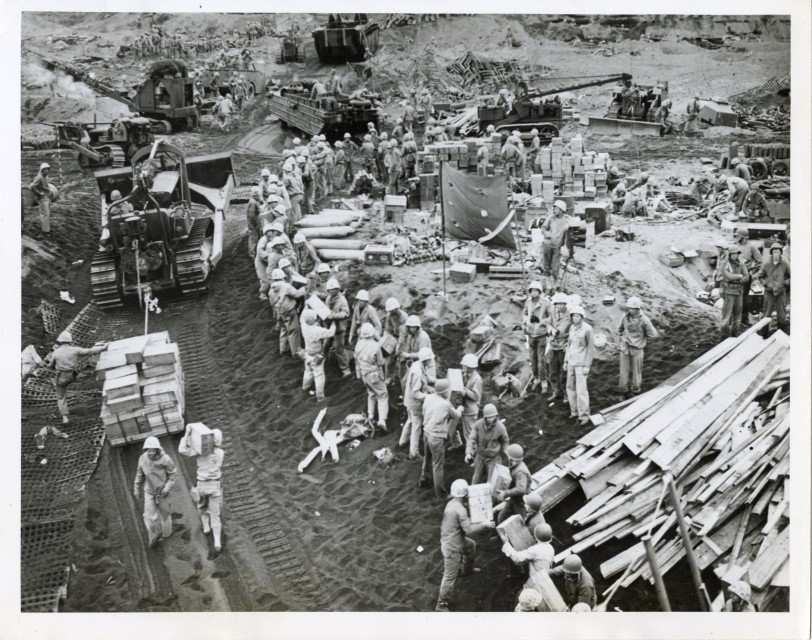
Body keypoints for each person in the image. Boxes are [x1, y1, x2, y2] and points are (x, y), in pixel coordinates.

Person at [435, 479, 496, 612]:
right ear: (465, 494)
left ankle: (466, 570)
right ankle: (441, 605)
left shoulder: (452, 503)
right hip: (452, 546)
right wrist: (484, 524)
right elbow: (468, 530)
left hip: (453, 538)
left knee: (470, 546)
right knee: (449, 577)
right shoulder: (461, 510)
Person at [178, 424, 225, 553]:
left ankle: (206, 526)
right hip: (215, 486)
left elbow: (182, 450)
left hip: (202, 485)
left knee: (201, 506)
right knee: (215, 515)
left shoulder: (201, 452)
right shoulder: (221, 453)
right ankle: (217, 541)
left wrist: (187, 434)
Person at [48, 331, 107, 425]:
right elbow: (90, 351)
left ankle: (65, 418)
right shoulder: (75, 350)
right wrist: (103, 348)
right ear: (70, 340)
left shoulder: (55, 352)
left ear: (60, 341)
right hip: (73, 375)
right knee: (86, 366)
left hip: (61, 377)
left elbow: (50, 366)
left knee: (61, 396)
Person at [419, 379, 462, 498]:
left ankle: (423, 479)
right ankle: (441, 493)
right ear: (444, 392)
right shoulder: (445, 404)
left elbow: (423, 412)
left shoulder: (428, 398)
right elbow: (456, 416)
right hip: (436, 437)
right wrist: (460, 408)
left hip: (426, 432)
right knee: (437, 464)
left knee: (427, 457)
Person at [133, 436, 177, 548]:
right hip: (149, 492)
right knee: (149, 516)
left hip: (163, 492)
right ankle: (154, 536)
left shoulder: (165, 459)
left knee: (165, 515)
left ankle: (167, 534)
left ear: (157, 449)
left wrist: (167, 487)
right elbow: (139, 474)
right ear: (146, 449)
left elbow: (172, 475)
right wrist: (136, 488)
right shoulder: (143, 458)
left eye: (153, 450)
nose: (151, 453)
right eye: (149, 450)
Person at [617, 296, 659, 397]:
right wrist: (623, 339)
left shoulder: (644, 320)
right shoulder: (624, 317)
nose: (630, 310)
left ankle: (636, 391)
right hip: (625, 348)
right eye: (629, 308)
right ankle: (623, 391)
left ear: (637, 309)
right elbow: (619, 329)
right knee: (623, 372)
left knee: (636, 373)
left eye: (632, 308)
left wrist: (642, 341)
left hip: (637, 350)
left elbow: (653, 335)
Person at [400, 347, 435, 459]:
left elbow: (425, 377)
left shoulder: (417, 364)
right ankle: (413, 453)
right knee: (416, 427)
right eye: (430, 359)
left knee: (410, 420)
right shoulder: (418, 373)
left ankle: (402, 442)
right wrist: (429, 396)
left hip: (409, 402)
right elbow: (415, 393)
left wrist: (435, 381)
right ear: (426, 360)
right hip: (415, 403)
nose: (431, 361)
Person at [354, 322, 389, 432]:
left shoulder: (358, 344)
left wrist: (358, 374)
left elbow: (356, 360)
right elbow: (380, 362)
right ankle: (382, 420)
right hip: (374, 375)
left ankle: (370, 416)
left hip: (364, 374)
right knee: (382, 395)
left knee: (371, 394)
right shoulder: (376, 345)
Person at [565, 305, 595, 426]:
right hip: (571, 362)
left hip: (581, 363)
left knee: (581, 390)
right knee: (570, 387)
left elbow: (591, 348)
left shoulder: (588, 329)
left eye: (577, 316)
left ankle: (584, 415)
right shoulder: (571, 328)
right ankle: (574, 411)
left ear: (582, 317)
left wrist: (587, 365)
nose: (575, 318)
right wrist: (566, 361)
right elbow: (569, 345)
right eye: (573, 316)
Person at [465, 403, 509, 484]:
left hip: (493, 458)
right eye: (489, 417)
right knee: (475, 480)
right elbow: (471, 438)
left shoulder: (501, 427)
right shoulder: (478, 425)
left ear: (496, 416)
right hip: (480, 457)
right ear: (485, 417)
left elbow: (505, 441)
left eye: (493, 416)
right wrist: (469, 452)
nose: (491, 419)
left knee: (492, 482)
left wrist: (506, 451)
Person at [300, 309, 336, 402]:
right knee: (319, 376)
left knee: (308, 372)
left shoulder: (303, 325)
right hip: (316, 356)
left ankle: (305, 387)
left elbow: (302, 317)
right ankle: (320, 397)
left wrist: (306, 305)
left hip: (307, 354)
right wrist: (333, 323)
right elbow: (331, 333)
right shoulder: (316, 330)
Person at [523, 280, 552, 392]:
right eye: (532, 290)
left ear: (540, 291)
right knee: (532, 359)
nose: (534, 292)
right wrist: (527, 320)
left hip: (541, 335)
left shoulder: (546, 303)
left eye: (536, 290)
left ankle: (544, 381)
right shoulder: (528, 302)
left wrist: (541, 321)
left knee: (541, 360)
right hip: (531, 334)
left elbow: (551, 317)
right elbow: (524, 313)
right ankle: (536, 378)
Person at [449, 353, 482, 449]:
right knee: (453, 427)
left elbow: (476, 396)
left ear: (469, 367)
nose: (462, 366)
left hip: (470, 411)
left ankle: (472, 453)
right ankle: (456, 444)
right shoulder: (465, 374)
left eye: (464, 365)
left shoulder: (477, 380)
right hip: (460, 406)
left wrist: (465, 391)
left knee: (469, 434)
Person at [758, 243, 790, 334]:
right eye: (774, 251)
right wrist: (765, 284)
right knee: (767, 313)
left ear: (780, 252)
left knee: (782, 315)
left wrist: (785, 283)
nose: (776, 252)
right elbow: (760, 276)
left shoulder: (785, 264)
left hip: (781, 292)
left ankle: (781, 334)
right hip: (769, 292)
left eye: (778, 251)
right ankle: (764, 333)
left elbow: (791, 276)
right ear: (771, 252)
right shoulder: (766, 264)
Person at [496, 444, 531, 524]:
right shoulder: (515, 465)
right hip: (514, 499)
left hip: (521, 502)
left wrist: (505, 493)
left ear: (511, 458)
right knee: (502, 517)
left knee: (522, 522)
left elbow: (521, 489)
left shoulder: (520, 471)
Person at [720, 244, 749, 338]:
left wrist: (740, 279)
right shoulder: (725, 264)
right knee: (726, 316)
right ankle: (724, 336)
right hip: (729, 292)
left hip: (739, 291)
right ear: (729, 254)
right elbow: (727, 276)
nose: (735, 255)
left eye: (736, 254)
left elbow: (747, 276)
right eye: (733, 254)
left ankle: (734, 334)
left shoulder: (741, 264)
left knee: (737, 316)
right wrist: (739, 276)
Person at [546, 292, 571, 401]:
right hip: (553, 345)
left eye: (561, 304)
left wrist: (569, 344)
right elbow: (548, 324)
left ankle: (566, 393)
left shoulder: (570, 315)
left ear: (565, 304)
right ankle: (556, 391)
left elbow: (573, 331)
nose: (559, 306)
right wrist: (551, 330)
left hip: (564, 346)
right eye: (557, 304)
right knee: (553, 370)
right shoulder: (553, 313)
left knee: (564, 371)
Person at [324, 278, 352, 377]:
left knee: (339, 349)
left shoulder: (342, 300)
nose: (331, 291)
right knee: (325, 346)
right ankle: (325, 363)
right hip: (329, 327)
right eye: (329, 290)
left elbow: (346, 313)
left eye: (333, 289)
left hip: (339, 328)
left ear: (337, 289)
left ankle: (346, 370)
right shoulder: (328, 298)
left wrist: (334, 315)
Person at [540, 201, 569, 293]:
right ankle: (549, 286)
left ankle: (555, 285)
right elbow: (543, 228)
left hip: (557, 247)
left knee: (555, 267)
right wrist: (548, 234)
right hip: (547, 244)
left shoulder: (567, 220)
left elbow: (577, 223)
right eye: (554, 208)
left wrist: (568, 227)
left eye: (556, 209)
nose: (554, 210)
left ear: (561, 210)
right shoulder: (551, 218)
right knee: (546, 266)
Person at [397, 315, 433, 388]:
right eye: (410, 327)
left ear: (417, 327)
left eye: (413, 327)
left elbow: (423, 355)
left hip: (426, 363)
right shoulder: (411, 336)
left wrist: (408, 355)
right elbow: (409, 348)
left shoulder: (423, 337)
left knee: (426, 384)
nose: (411, 329)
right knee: (405, 382)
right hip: (416, 363)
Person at [383, 297, 409, 385]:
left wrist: (398, 347)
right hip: (393, 337)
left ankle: (403, 380)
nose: (390, 312)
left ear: (396, 309)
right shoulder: (389, 315)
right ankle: (388, 377)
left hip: (404, 339)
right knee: (389, 359)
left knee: (402, 360)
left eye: (392, 310)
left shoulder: (404, 317)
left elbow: (402, 334)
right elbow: (387, 329)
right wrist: (385, 340)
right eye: (389, 311)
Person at [29, 162, 54, 235]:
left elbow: (46, 186)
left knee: (47, 213)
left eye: (48, 169)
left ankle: (46, 229)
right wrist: (39, 194)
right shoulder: (39, 177)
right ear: (42, 170)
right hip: (42, 198)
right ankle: (45, 231)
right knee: (45, 214)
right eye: (45, 169)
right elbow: (32, 186)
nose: (47, 170)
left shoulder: (45, 177)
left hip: (47, 197)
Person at [246, 186, 263, 258]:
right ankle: (251, 254)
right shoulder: (253, 203)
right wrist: (256, 224)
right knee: (253, 238)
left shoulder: (253, 201)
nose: (259, 197)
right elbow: (252, 216)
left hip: (253, 223)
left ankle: (254, 251)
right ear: (255, 195)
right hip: (253, 224)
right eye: (259, 195)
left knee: (256, 237)